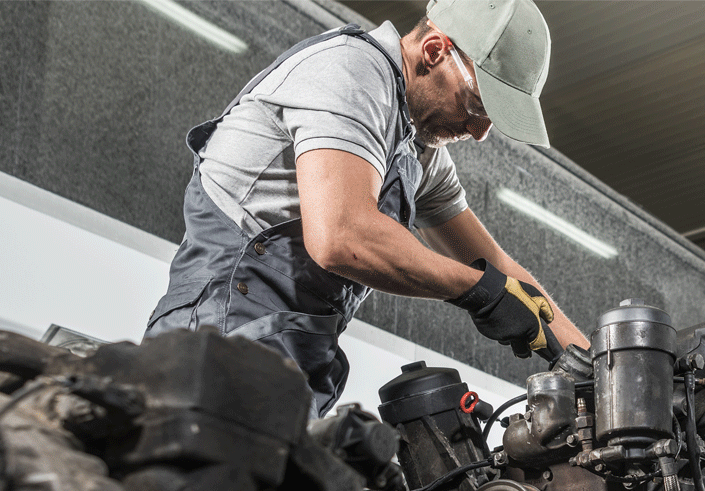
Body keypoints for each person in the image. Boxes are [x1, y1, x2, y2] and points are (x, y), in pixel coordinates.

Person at [147, 0, 589, 417]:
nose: (478, 132)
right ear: (434, 51)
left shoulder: (417, 152)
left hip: (295, 356)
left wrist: (597, 372)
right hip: (223, 333)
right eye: (477, 107)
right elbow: (342, 236)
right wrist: (479, 291)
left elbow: (499, 269)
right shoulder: (351, 71)